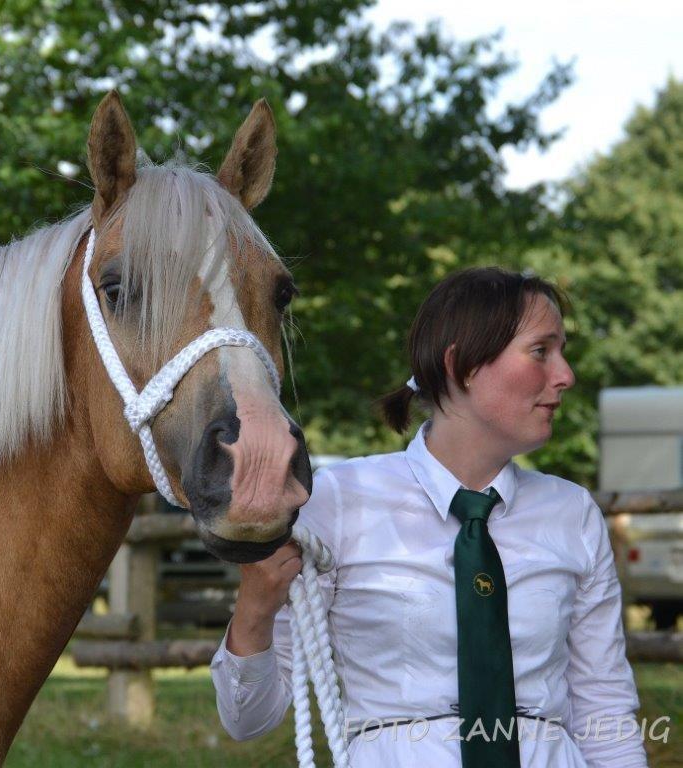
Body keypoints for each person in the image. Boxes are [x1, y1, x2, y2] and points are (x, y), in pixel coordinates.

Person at [210, 267, 648, 767]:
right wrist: (255, 606)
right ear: (462, 365)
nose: (565, 374)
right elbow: (248, 720)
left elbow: (605, 710)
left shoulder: (573, 513)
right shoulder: (337, 502)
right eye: (541, 351)